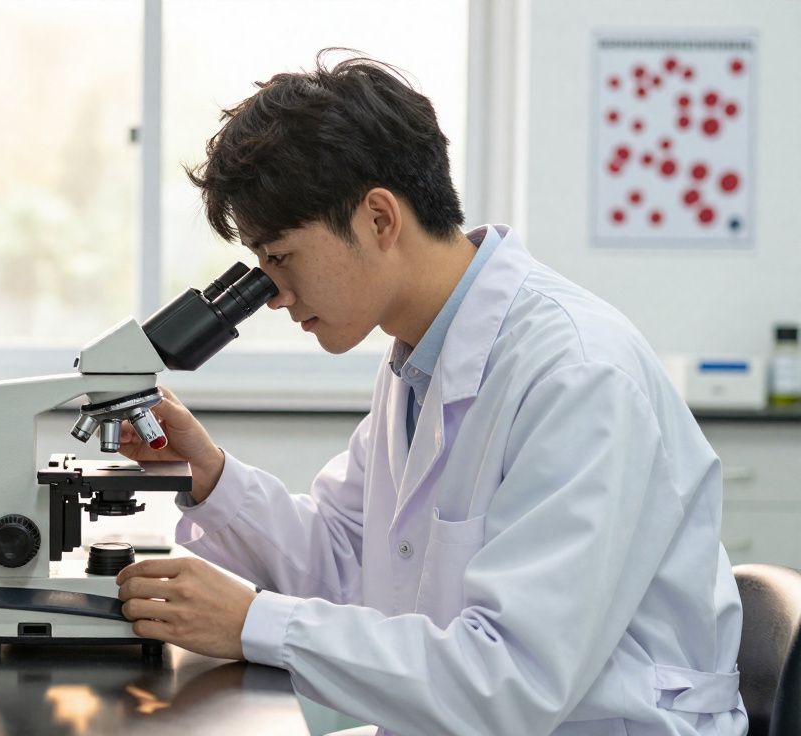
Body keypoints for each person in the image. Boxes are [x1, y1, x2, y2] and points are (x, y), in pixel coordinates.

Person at [113, 51, 747, 735]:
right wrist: (210, 476)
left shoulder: (578, 374)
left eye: (281, 258)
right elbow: (344, 557)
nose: (274, 296)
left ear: (379, 219)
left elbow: (513, 676)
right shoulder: (422, 361)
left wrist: (253, 623)